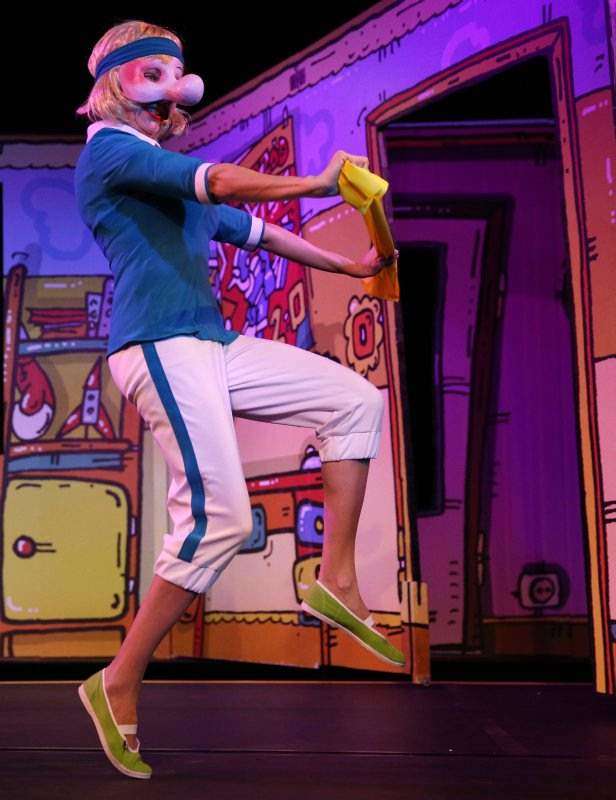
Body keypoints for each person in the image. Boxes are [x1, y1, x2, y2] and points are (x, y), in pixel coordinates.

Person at [73, 19, 404, 779]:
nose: (170, 96)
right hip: (157, 346)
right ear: (117, 86)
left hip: (209, 345)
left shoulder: (162, 169)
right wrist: (318, 183)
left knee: (355, 402)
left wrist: (353, 267)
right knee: (218, 517)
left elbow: (259, 233)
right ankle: (117, 679)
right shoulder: (111, 151)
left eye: (175, 80)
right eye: (152, 77)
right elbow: (220, 182)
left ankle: (335, 579)